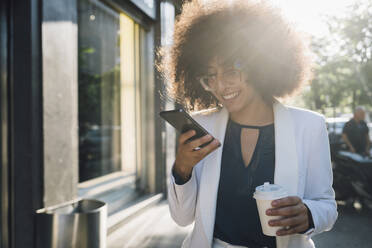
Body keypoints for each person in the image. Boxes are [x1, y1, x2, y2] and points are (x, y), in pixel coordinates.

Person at [159, 1, 338, 247]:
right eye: (210, 75)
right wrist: (182, 171)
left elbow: (326, 206)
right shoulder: (202, 127)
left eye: (231, 71)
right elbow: (182, 218)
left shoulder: (309, 126)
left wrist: (308, 215)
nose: (220, 86)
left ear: (260, 66)